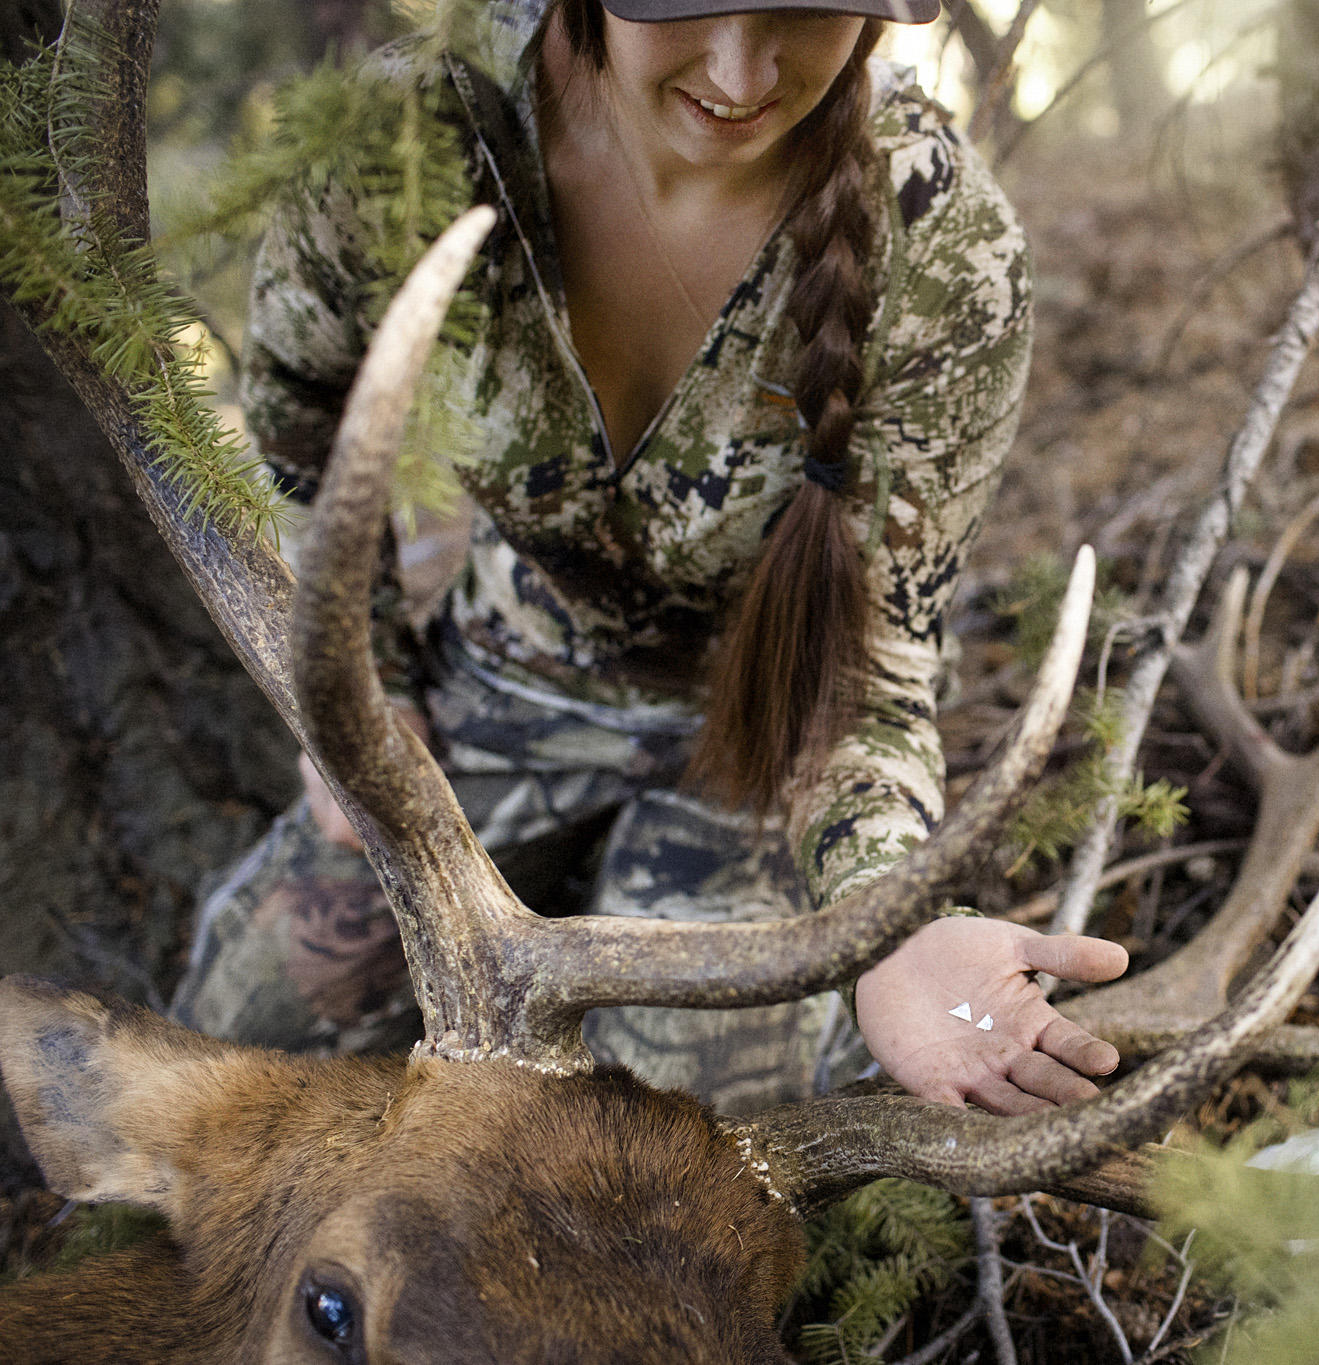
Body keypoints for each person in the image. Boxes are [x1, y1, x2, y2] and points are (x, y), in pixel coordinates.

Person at [172, 0, 1131, 1118]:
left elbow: (867, 663)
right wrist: (359, 697)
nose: (740, 71)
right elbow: (295, 440)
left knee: (666, 1153)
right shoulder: (407, 143)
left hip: (765, 751)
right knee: (235, 1066)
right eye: (683, 0)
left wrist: (890, 920)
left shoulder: (943, 245)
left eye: (807, 10)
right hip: (492, 693)